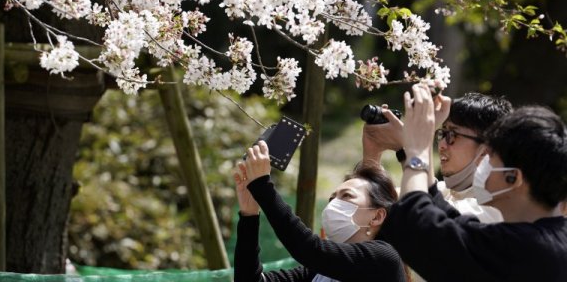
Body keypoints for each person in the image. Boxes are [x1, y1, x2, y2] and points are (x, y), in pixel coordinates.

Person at [378, 84, 567, 281]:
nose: (484, 162)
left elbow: (412, 225)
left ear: (513, 177)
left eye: (491, 156)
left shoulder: (519, 249)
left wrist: (415, 153)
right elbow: (453, 224)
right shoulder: (547, 237)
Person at [234, 144, 407, 282]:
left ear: (377, 216)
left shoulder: (385, 258)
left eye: (346, 196)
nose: (334, 205)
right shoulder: (318, 273)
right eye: (332, 199)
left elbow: (309, 249)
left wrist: (263, 187)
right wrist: (249, 215)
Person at [362, 92, 511, 223]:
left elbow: (423, 218)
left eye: (452, 135)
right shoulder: (446, 191)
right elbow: (370, 206)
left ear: (486, 150)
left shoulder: (496, 209)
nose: (441, 145)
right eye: (442, 134)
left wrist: (411, 146)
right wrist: (373, 151)